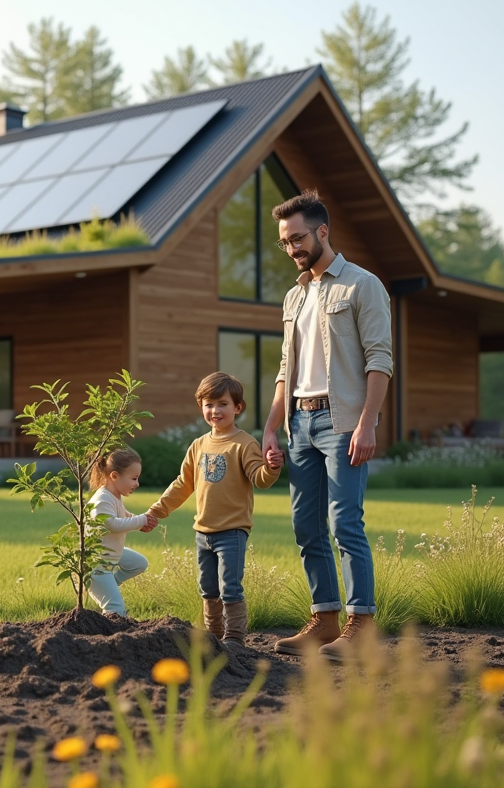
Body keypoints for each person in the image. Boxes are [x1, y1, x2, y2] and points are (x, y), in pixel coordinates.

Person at [262, 189, 392, 661]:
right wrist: (272, 426)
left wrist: (367, 423)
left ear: (322, 232)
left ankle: (362, 626)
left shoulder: (362, 285)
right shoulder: (293, 298)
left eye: (297, 238)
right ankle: (325, 620)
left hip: (342, 423)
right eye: (284, 242)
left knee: (345, 523)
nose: (292, 248)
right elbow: (285, 368)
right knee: (305, 526)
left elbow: (380, 360)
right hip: (300, 422)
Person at [147, 372, 283, 648]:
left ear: (237, 407)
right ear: (202, 408)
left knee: (229, 588)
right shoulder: (198, 445)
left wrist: (271, 468)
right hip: (202, 532)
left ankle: (234, 640)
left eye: (222, 404)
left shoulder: (243, 443)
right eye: (209, 404)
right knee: (208, 589)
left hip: (232, 532)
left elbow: (259, 479)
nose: (215, 410)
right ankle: (213, 637)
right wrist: (157, 511)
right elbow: (183, 484)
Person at [87, 448, 157, 617]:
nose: (137, 484)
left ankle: (110, 584)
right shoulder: (102, 499)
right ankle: (108, 639)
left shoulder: (114, 496)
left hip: (108, 555)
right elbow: (112, 524)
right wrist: (141, 520)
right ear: (114, 476)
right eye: (133, 478)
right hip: (96, 564)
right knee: (116, 609)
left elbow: (124, 517)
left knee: (139, 563)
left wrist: (141, 524)